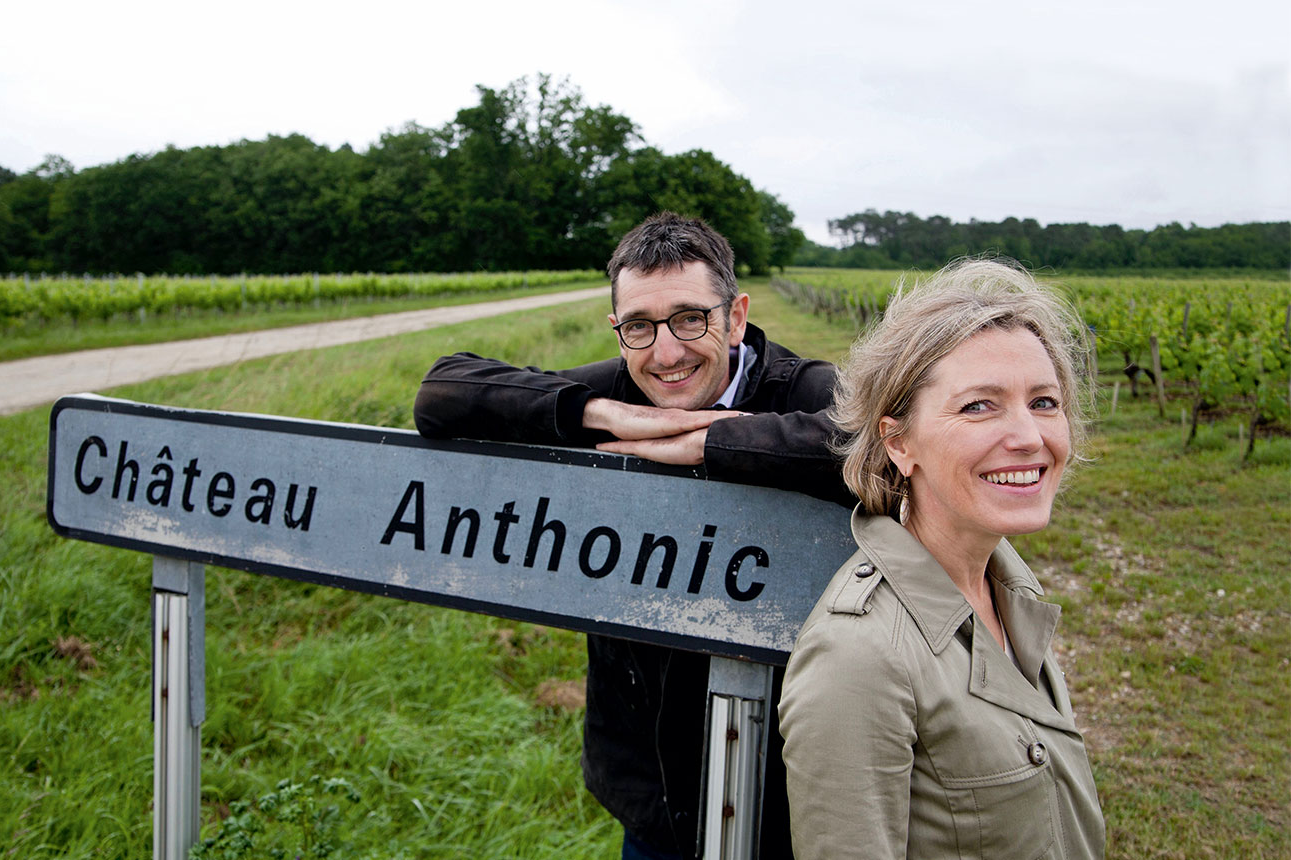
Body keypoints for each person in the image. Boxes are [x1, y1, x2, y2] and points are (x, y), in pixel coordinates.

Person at [414, 212, 853, 859]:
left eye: (690, 319)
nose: (666, 352)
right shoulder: (620, 389)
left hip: (796, 808)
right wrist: (598, 412)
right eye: (639, 328)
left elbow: (895, 445)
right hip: (653, 801)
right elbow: (442, 392)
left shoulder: (805, 391)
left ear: (735, 317)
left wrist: (714, 441)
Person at [778, 259, 1105, 859]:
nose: (1029, 436)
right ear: (898, 442)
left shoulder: (1005, 587)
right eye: (979, 406)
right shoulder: (859, 657)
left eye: (1044, 401)